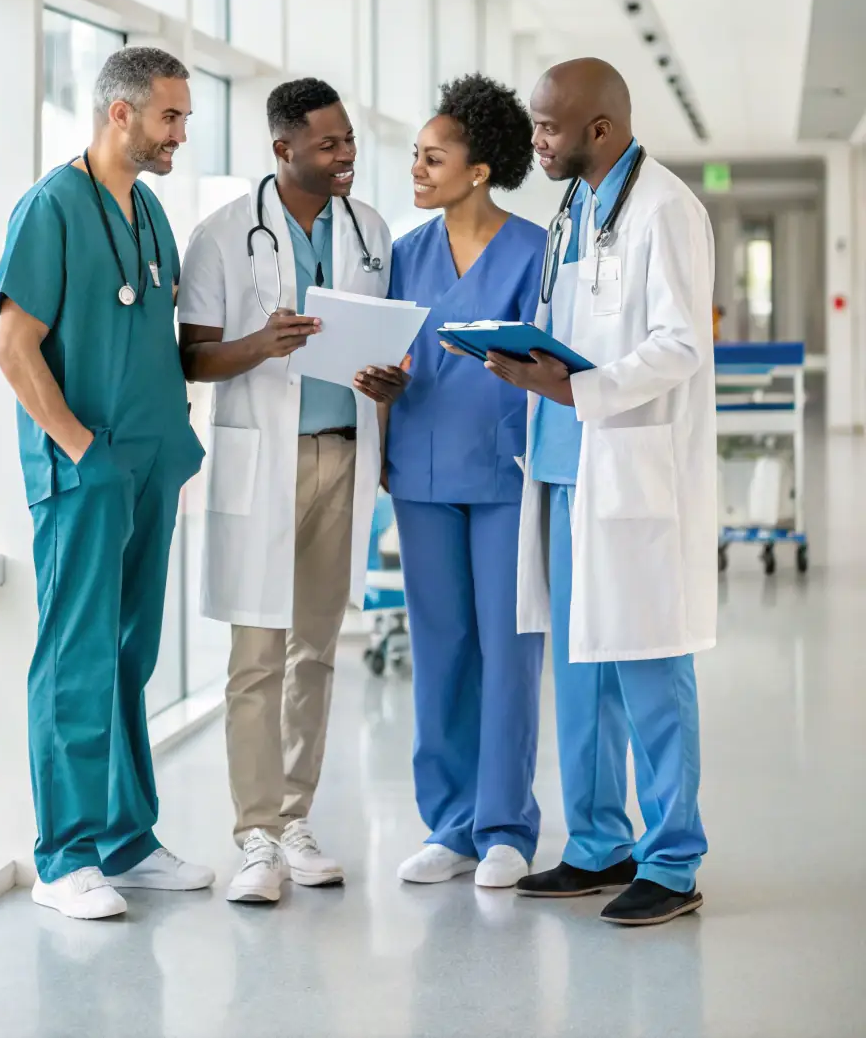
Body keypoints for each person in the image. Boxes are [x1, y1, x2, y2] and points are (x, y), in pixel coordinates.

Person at [0, 47, 212, 921]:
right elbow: (14, 350)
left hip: (151, 462)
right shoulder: (51, 207)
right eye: (170, 117)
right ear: (120, 113)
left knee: (130, 653)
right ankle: (64, 854)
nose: (181, 134)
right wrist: (83, 448)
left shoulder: (149, 209)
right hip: (86, 469)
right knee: (76, 657)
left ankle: (126, 838)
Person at [495, 57, 715, 926]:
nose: (537, 140)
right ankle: (596, 843)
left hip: (625, 465)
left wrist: (572, 389)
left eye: (549, 127)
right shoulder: (574, 209)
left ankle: (672, 857)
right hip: (561, 463)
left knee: (648, 664)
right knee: (581, 667)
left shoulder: (666, 208)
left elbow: (679, 345)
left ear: (600, 128)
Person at [178, 78, 401, 906]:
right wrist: (260, 344)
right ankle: (255, 835)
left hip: (345, 454)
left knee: (316, 649)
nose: (346, 155)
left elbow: (384, 337)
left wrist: (390, 379)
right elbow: (192, 356)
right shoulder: (224, 234)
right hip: (262, 459)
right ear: (284, 149)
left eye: (348, 140)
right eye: (329, 143)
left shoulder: (369, 230)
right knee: (256, 658)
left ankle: (299, 819)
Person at [384, 73, 547, 890]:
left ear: (479, 170)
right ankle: (449, 824)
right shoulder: (405, 257)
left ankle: (506, 824)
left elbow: (551, 362)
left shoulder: (533, 252)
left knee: (509, 647)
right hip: (420, 469)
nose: (417, 168)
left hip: (505, 470)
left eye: (433, 157)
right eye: (415, 155)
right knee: (441, 647)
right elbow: (385, 357)